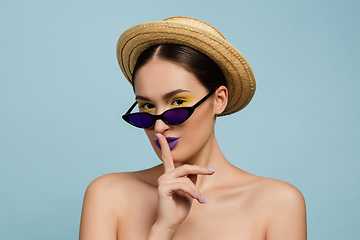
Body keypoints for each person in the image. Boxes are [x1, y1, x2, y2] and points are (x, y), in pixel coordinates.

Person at [79, 17, 307, 240]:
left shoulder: (278, 203)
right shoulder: (108, 196)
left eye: (177, 102)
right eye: (147, 106)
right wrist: (163, 229)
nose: (159, 126)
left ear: (218, 100)